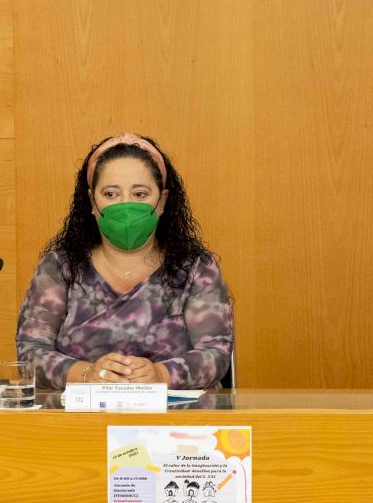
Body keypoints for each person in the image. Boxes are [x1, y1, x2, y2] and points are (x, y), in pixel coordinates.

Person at [17, 133, 232, 389]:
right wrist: (86, 374)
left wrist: (162, 374)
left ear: (162, 201)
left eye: (140, 194)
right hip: (81, 414)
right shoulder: (60, 268)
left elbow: (216, 353)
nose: (126, 205)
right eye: (111, 194)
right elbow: (30, 351)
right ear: (92, 202)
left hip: (175, 414)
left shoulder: (197, 268)